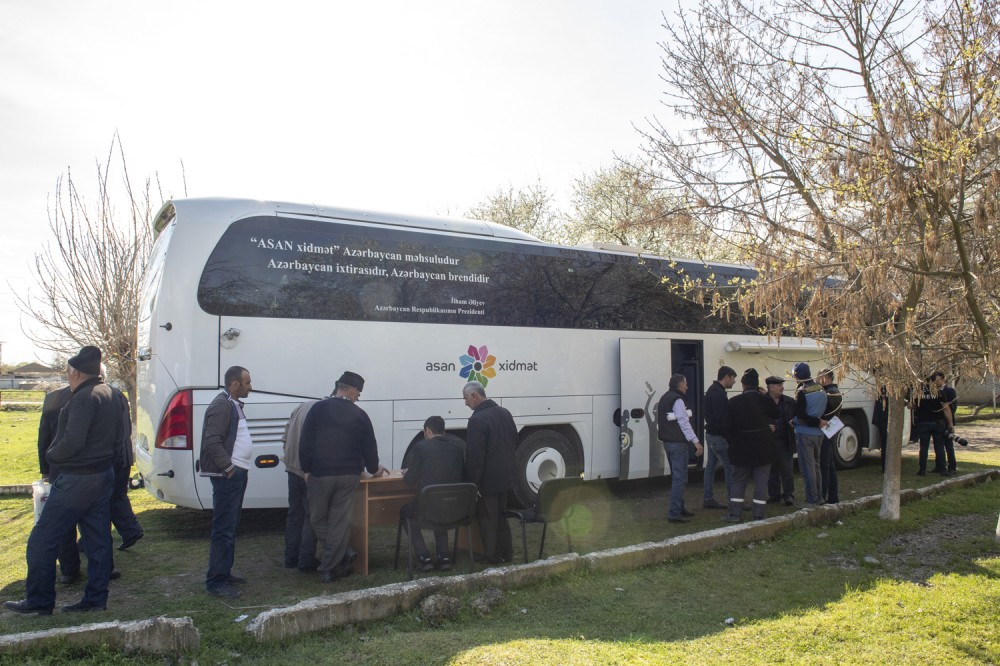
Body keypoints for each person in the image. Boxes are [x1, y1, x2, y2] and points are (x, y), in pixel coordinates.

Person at [6, 346, 118, 615]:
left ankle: (39, 601)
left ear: (76, 373)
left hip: (78, 479)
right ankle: (95, 600)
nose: (67, 378)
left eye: (68, 373)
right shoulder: (110, 393)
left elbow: (73, 441)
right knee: (98, 540)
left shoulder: (83, 397)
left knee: (41, 541)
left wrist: (51, 454)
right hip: (103, 474)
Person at [300, 371, 388, 583]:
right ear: (352, 390)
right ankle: (332, 565)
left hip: (320, 474)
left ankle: (336, 560)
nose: (358, 397)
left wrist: (306, 468)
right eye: (359, 393)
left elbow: (306, 442)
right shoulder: (360, 415)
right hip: (349, 475)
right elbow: (369, 448)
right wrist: (375, 468)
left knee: (317, 519)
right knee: (340, 522)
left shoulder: (318, 409)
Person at [200, 365, 254, 598]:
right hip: (228, 476)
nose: (250, 386)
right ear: (234, 384)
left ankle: (224, 572)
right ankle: (216, 581)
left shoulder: (232, 404)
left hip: (237, 474)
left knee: (231, 526)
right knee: (223, 529)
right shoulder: (221, 405)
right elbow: (212, 442)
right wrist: (229, 467)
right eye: (247, 382)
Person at [400, 415, 466, 571]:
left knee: (406, 513)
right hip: (453, 508)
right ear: (443, 431)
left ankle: (424, 557)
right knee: (439, 507)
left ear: (427, 431)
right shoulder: (457, 448)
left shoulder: (421, 447)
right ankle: (444, 557)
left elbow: (410, 480)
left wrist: (408, 472)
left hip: (428, 507)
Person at [462, 381, 517, 564]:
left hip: (488, 480)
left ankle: (492, 556)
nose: (465, 403)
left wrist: (473, 483)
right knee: (501, 516)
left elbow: (475, 456)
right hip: (506, 476)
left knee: (488, 519)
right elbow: (513, 441)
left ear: (475, 396)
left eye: (466, 398)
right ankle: (507, 553)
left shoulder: (477, 420)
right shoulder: (505, 413)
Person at [36, 384, 81, 585]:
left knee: (63, 522)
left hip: (59, 468)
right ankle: (104, 567)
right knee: (94, 521)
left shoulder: (53, 397)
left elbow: (43, 436)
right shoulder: (100, 395)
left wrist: (46, 469)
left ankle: (69, 570)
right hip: (89, 468)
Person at [722, 369, 779, 522]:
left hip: (741, 448)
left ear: (743, 385)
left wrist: (733, 442)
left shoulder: (733, 402)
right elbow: (776, 414)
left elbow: (726, 427)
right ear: (757, 385)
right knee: (761, 482)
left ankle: (734, 514)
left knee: (739, 481)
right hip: (763, 448)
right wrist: (766, 395)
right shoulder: (765, 400)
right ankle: (759, 513)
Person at [281, 395, 322, 572]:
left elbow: (284, 437)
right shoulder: (323, 411)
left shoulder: (300, 407)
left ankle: (291, 556)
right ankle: (306, 560)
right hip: (308, 472)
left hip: (291, 469)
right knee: (310, 516)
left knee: (294, 513)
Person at [657, 374, 704, 523]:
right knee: (680, 478)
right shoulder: (677, 399)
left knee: (677, 477)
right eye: (685, 384)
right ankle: (674, 512)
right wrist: (696, 441)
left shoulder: (665, 397)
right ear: (679, 385)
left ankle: (680, 507)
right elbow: (684, 422)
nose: (687, 387)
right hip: (678, 443)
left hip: (667, 442)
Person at [791, 362, 827, 505]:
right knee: (817, 466)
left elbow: (801, 416)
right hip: (819, 434)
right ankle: (820, 496)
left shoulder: (802, 392)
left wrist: (793, 421)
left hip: (804, 432)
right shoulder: (820, 389)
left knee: (808, 467)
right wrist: (819, 422)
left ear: (797, 376)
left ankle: (811, 499)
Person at [702, 366, 737, 509]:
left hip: (711, 435)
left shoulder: (712, 390)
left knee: (710, 467)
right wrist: (728, 435)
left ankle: (708, 497)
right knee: (730, 466)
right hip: (718, 436)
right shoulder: (719, 394)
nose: (734, 382)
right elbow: (721, 418)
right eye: (733, 378)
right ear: (727, 377)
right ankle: (733, 499)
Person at [912, 371, 954, 477]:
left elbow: (913, 406)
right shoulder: (939, 392)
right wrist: (950, 424)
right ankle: (943, 470)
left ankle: (922, 470)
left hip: (924, 422)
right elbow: (946, 409)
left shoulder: (919, 392)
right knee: (939, 447)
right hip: (938, 422)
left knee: (924, 447)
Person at [765, 376, 797, 506]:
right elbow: (756, 417)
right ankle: (774, 495)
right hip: (768, 442)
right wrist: (765, 426)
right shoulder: (763, 401)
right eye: (779, 385)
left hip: (785, 440)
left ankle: (788, 495)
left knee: (787, 469)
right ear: (771, 387)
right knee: (771, 470)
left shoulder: (789, 401)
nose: (782, 387)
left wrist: (793, 422)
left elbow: (797, 415)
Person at [816, 368, 843, 505]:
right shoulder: (833, 391)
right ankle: (833, 495)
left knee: (824, 465)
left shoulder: (830, 393)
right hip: (830, 428)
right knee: (829, 465)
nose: (816, 379)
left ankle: (824, 495)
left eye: (819, 376)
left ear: (827, 378)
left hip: (827, 429)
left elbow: (823, 409)